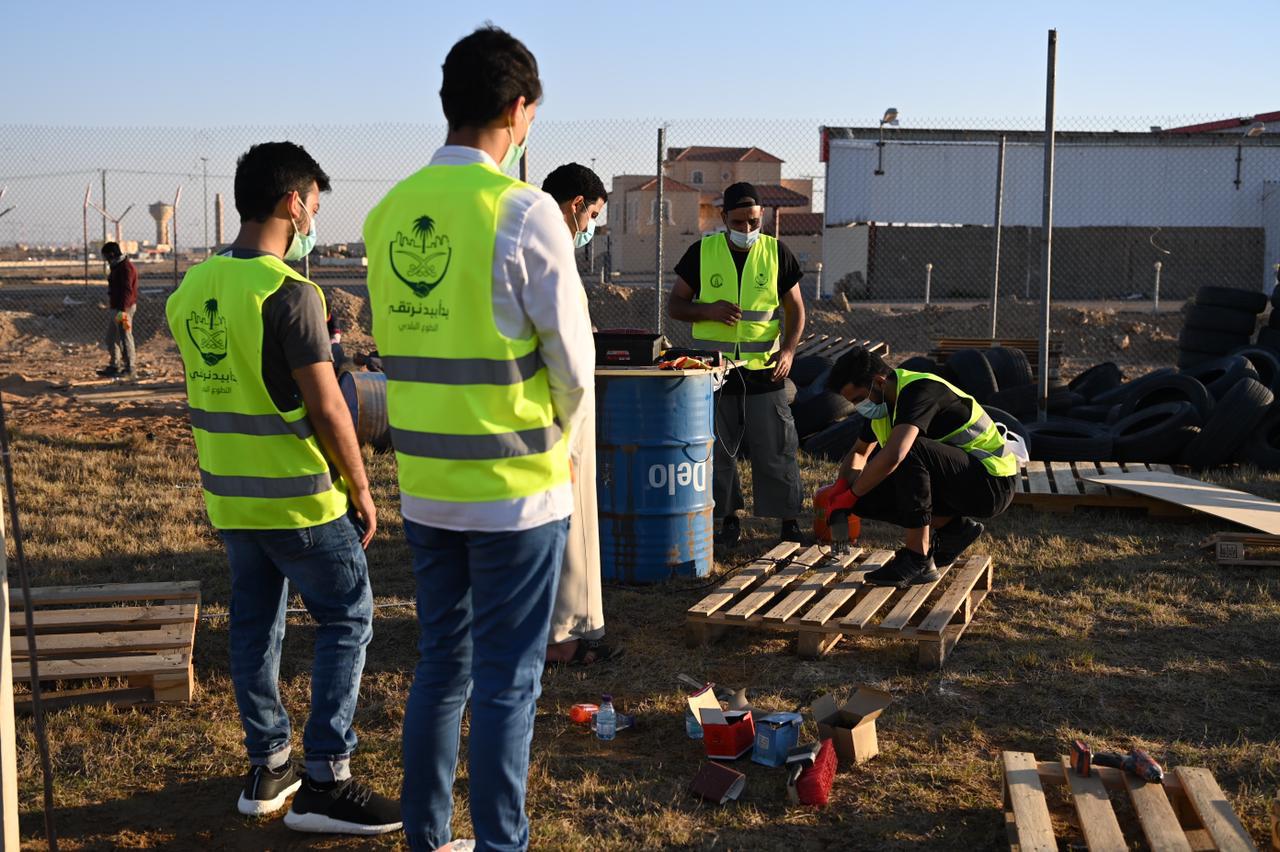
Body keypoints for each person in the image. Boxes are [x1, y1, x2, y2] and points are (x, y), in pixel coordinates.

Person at [363, 26, 595, 852]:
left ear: (447, 102)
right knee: (505, 683)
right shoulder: (525, 213)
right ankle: (501, 843)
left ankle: (426, 838)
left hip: (428, 490)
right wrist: (564, 443)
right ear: (519, 109)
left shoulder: (387, 213)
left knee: (440, 669)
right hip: (516, 495)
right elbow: (574, 365)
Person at [165, 141, 400, 836]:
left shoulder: (190, 290)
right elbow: (327, 406)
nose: (314, 222)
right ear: (293, 203)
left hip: (232, 501)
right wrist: (362, 486)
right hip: (300, 499)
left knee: (255, 626)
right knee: (348, 618)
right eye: (314, 207)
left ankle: (269, 765)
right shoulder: (291, 293)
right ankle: (326, 780)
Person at [667, 181, 806, 546]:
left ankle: (788, 521)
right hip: (715, 373)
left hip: (765, 371)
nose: (747, 228)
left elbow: (796, 308)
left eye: (754, 221)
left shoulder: (777, 252)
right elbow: (675, 305)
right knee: (718, 452)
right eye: (739, 222)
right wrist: (707, 310)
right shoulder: (702, 252)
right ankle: (727, 519)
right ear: (724, 216)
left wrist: (788, 351)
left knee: (776, 448)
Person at [822, 347, 1018, 587]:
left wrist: (851, 495)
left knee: (907, 450)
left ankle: (918, 559)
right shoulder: (882, 406)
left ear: (879, 382)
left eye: (858, 399)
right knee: (863, 496)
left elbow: (896, 454)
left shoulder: (920, 390)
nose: (858, 406)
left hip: (991, 482)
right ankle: (955, 530)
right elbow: (859, 452)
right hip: (959, 480)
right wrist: (842, 489)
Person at [540, 162, 613, 666]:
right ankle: (564, 637)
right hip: (563, 417)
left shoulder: (534, 249)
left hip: (554, 412)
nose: (591, 228)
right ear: (576, 206)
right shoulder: (553, 256)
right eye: (593, 216)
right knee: (569, 526)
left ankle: (563, 630)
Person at [98, 241, 137, 378]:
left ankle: (130, 368)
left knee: (125, 337)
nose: (106, 260)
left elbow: (127, 291)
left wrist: (123, 311)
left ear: (112, 254)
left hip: (123, 310)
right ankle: (115, 365)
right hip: (117, 308)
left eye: (106, 256)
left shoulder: (125, 268)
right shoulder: (117, 266)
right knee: (111, 338)